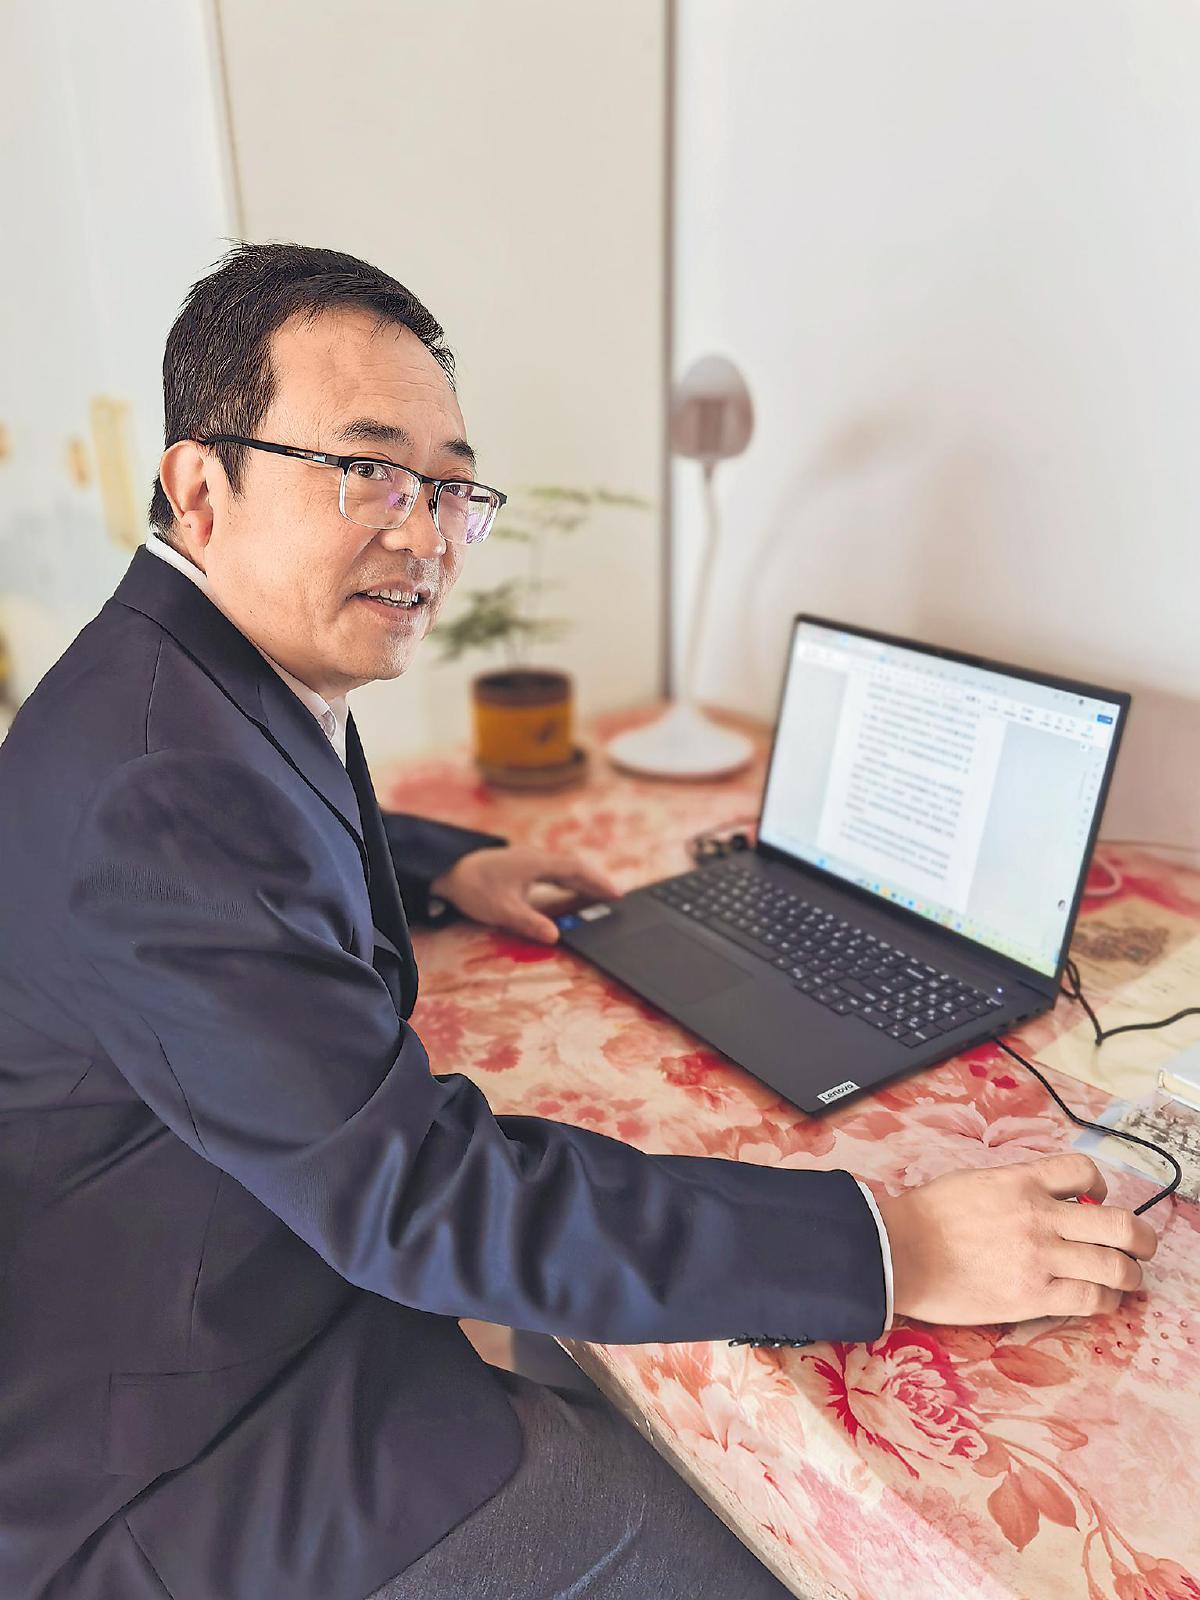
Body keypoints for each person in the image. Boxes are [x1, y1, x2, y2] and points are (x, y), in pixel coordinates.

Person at [0, 243, 1156, 1600]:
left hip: (209, 1296)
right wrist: (896, 1246)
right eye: (368, 470)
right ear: (204, 488)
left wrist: (448, 865)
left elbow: (259, 832)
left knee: (624, 1392)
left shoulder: (173, 681)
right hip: (178, 1456)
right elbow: (425, 1198)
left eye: (450, 486)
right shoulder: (156, 792)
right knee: (728, 1547)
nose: (424, 534)